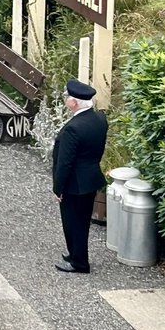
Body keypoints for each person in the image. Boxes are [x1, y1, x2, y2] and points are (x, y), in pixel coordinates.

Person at [52, 78, 108, 273]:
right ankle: (75, 253)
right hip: (90, 178)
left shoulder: (73, 129)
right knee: (82, 221)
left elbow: (65, 162)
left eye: (68, 97)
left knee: (72, 222)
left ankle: (79, 262)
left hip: (74, 184)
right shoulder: (99, 120)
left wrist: (58, 188)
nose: (66, 99)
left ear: (74, 103)